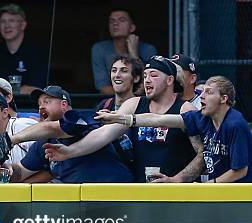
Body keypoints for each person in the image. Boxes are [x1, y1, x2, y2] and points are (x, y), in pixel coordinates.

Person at [45, 56, 205, 183]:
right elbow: (104, 133)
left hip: (179, 194)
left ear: (170, 80)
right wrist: (70, 152)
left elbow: (204, 154)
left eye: (154, 75)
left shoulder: (185, 109)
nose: (147, 80)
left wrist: (178, 180)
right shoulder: (135, 104)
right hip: (141, 190)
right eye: (145, 76)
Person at [96, 76, 251, 183]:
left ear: (224, 99)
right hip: (220, 193)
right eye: (201, 92)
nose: (202, 96)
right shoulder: (201, 118)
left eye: (208, 92)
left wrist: (208, 186)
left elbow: (240, 171)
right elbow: (159, 119)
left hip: (240, 196)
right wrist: (119, 118)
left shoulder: (235, 124)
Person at [0, 86, 134, 183]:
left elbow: (55, 128)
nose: (41, 107)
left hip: (115, 196)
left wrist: (10, 140)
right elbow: (21, 172)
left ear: (64, 105)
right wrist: (7, 170)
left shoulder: (82, 118)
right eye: (39, 104)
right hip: (81, 207)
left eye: (47, 101)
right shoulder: (43, 142)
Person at [0, 4, 48, 94]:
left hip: (27, 106)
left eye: (12, 20)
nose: (7, 25)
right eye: (3, 21)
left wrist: (5, 91)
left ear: (23, 25)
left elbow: (37, 88)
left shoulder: (36, 53)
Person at [91, 9, 157, 94]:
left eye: (122, 20)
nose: (115, 23)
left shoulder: (148, 49)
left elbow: (149, 84)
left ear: (132, 27)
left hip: (141, 101)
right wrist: (129, 96)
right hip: (112, 101)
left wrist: (134, 54)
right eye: (112, 21)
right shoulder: (99, 49)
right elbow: (103, 87)